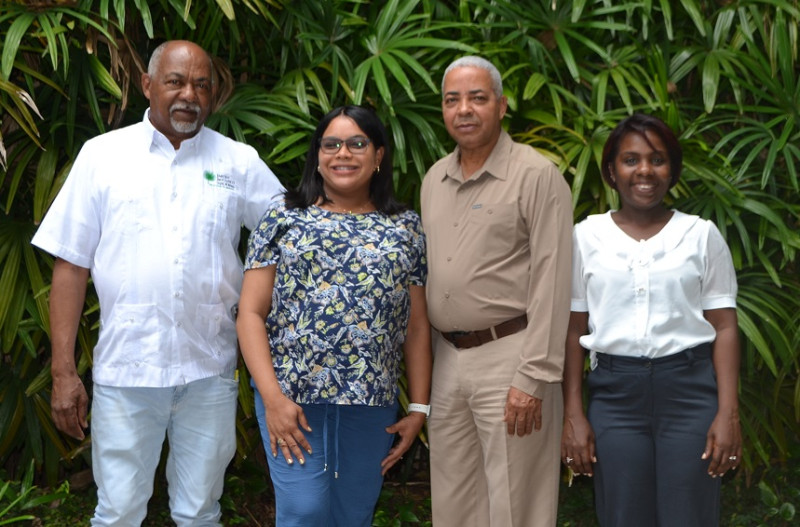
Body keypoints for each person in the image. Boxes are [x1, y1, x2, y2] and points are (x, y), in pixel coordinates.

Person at [31, 40, 284, 526]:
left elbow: (289, 239)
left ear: (213, 94)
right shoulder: (102, 156)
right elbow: (71, 266)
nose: (189, 94)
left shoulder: (239, 162)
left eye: (201, 84)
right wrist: (63, 373)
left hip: (209, 373)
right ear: (148, 85)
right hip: (128, 373)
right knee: (120, 511)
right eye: (175, 81)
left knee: (199, 513)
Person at [236, 105, 432, 527]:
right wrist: (272, 399)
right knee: (303, 510)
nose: (343, 153)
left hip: (370, 402)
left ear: (378, 155)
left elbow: (416, 326)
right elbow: (250, 313)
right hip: (292, 400)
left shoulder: (405, 227)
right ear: (318, 155)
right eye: (332, 144)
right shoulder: (282, 217)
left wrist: (418, 407)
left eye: (357, 143)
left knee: (353, 513)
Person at [561, 113, 741, 526]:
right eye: (631, 159)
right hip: (615, 398)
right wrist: (573, 413)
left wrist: (727, 412)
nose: (644, 170)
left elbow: (725, 327)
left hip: (690, 395)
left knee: (689, 516)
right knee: (623, 516)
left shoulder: (701, 235)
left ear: (673, 170)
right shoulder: (585, 237)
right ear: (611, 170)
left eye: (658, 159)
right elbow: (574, 331)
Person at [420, 56, 573, 526]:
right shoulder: (433, 179)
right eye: (452, 100)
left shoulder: (536, 176)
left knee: (516, 504)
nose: (464, 109)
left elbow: (554, 279)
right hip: (448, 360)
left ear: (503, 106)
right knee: (454, 500)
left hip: (512, 359)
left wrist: (535, 375)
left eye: (477, 98)